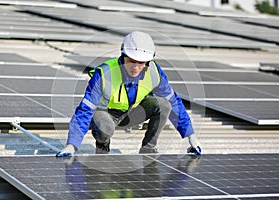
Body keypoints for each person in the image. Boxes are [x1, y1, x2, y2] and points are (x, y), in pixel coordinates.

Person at [56, 31, 201, 156]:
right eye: (132, 61)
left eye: (141, 63)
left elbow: (174, 102)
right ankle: (102, 149)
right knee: (104, 124)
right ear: (123, 55)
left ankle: (148, 150)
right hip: (106, 116)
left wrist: (190, 135)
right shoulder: (105, 74)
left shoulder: (154, 73)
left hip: (131, 114)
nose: (136, 67)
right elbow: (85, 109)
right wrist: (72, 145)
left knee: (164, 104)